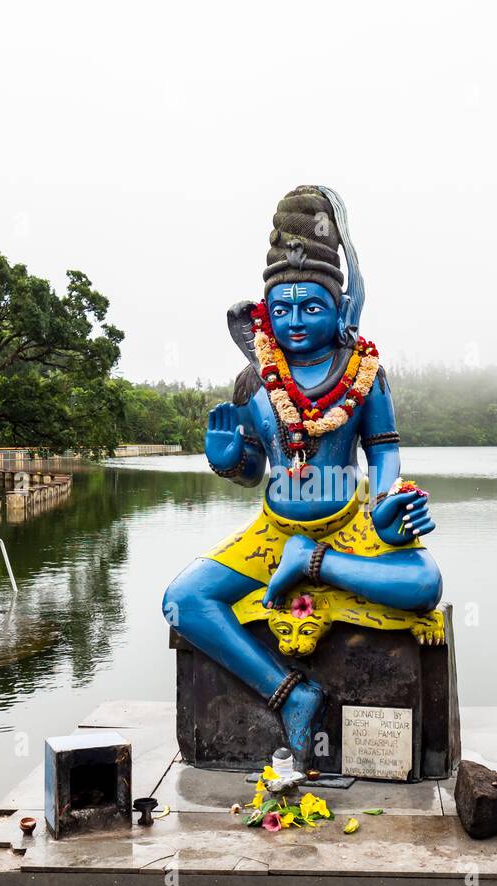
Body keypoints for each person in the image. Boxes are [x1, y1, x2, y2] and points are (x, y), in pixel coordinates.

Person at [163, 186, 442, 767]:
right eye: (281, 309)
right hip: (274, 529)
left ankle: (311, 564)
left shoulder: (363, 374)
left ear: (339, 310)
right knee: (184, 601)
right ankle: (289, 691)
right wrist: (226, 459)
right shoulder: (255, 382)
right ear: (265, 312)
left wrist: (389, 501)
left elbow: (383, 449)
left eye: (310, 307)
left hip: (346, 525)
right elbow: (252, 470)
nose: (294, 321)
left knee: (423, 585)